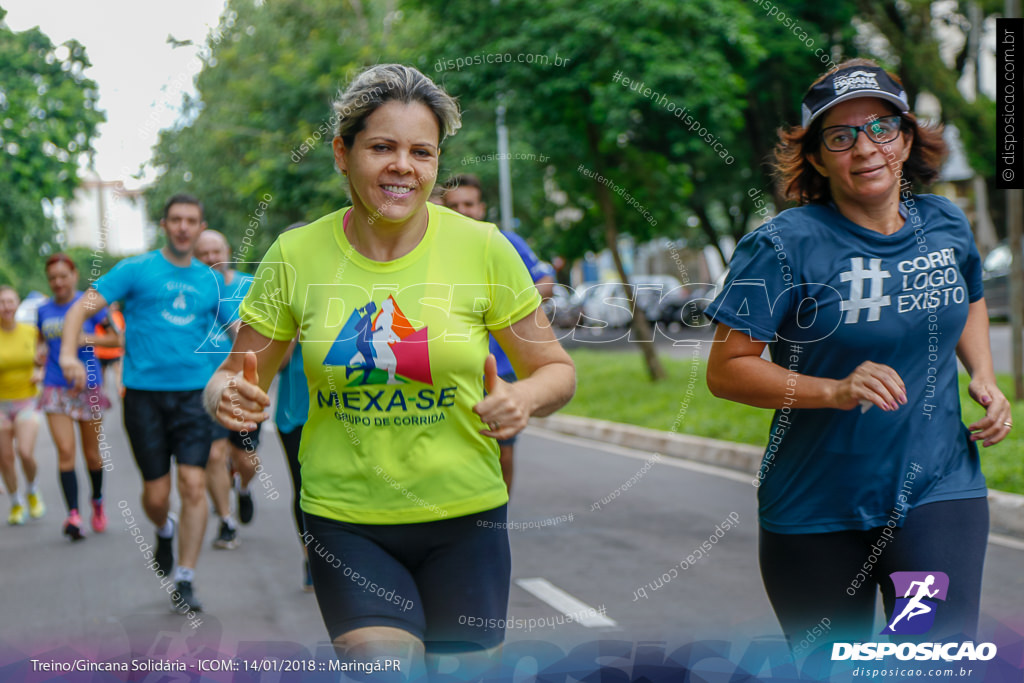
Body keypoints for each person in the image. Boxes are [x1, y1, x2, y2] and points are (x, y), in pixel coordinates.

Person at [204, 64, 575, 674]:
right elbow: (236, 374)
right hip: (347, 520)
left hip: (467, 518)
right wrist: (222, 395)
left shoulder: (484, 248)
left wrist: (525, 399)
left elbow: (556, 369)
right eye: (382, 147)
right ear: (341, 153)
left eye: (421, 152)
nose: (404, 165)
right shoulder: (296, 255)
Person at [705, 59, 1012, 647]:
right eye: (840, 136)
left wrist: (984, 375)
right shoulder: (779, 245)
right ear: (817, 158)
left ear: (906, 138)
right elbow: (726, 370)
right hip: (816, 506)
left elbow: (969, 295)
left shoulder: (944, 222)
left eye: (880, 128)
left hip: (937, 489)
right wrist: (834, 391)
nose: (865, 148)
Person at [60, 194, 229, 614]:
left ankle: (185, 578)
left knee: (193, 485)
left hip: (194, 396)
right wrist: (67, 355)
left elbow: (239, 328)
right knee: (156, 496)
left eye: (192, 220)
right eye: (176, 220)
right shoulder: (136, 270)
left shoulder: (210, 281)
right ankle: (164, 527)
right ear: (164, 225)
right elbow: (79, 309)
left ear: (200, 223)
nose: (184, 227)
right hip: (144, 398)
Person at [442, 174, 555, 493]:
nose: (462, 211)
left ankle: (496, 511)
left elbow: (545, 282)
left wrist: (505, 307)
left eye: (468, 204)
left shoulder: (503, 242)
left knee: (503, 448)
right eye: (454, 205)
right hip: (447, 369)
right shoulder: (429, 248)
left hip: (501, 371)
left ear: (481, 208)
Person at [37, 254, 118, 540]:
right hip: (55, 386)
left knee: (92, 456)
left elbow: (117, 340)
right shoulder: (43, 310)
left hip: (89, 386)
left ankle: (97, 501)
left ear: (74, 275)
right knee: (66, 452)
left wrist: (87, 339)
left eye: (63, 276)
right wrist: (39, 357)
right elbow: (41, 343)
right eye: (52, 278)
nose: (58, 282)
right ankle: (73, 515)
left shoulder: (89, 304)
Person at [195, 229, 260, 550]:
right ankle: (226, 521)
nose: (210, 259)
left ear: (228, 250)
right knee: (213, 455)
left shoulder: (250, 286)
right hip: (205, 387)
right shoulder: (190, 290)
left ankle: (243, 488)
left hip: (245, 386)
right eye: (202, 253)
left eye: (215, 252)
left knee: (247, 459)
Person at [272, 221, 313, 591]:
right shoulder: (279, 299)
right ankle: (309, 556)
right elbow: (278, 363)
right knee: (303, 488)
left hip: (340, 407)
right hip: (293, 411)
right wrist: (295, 324)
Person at [0, 286, 45, 525]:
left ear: (17, 304)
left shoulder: (30, 331)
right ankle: (16, 503)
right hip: (0, 405)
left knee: (25, 453)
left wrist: (40, 372)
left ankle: (32, 490)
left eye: (10, 301)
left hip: (27, 400)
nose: (6, 306)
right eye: (1, 302)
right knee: (5, 459)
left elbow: (43, 356)